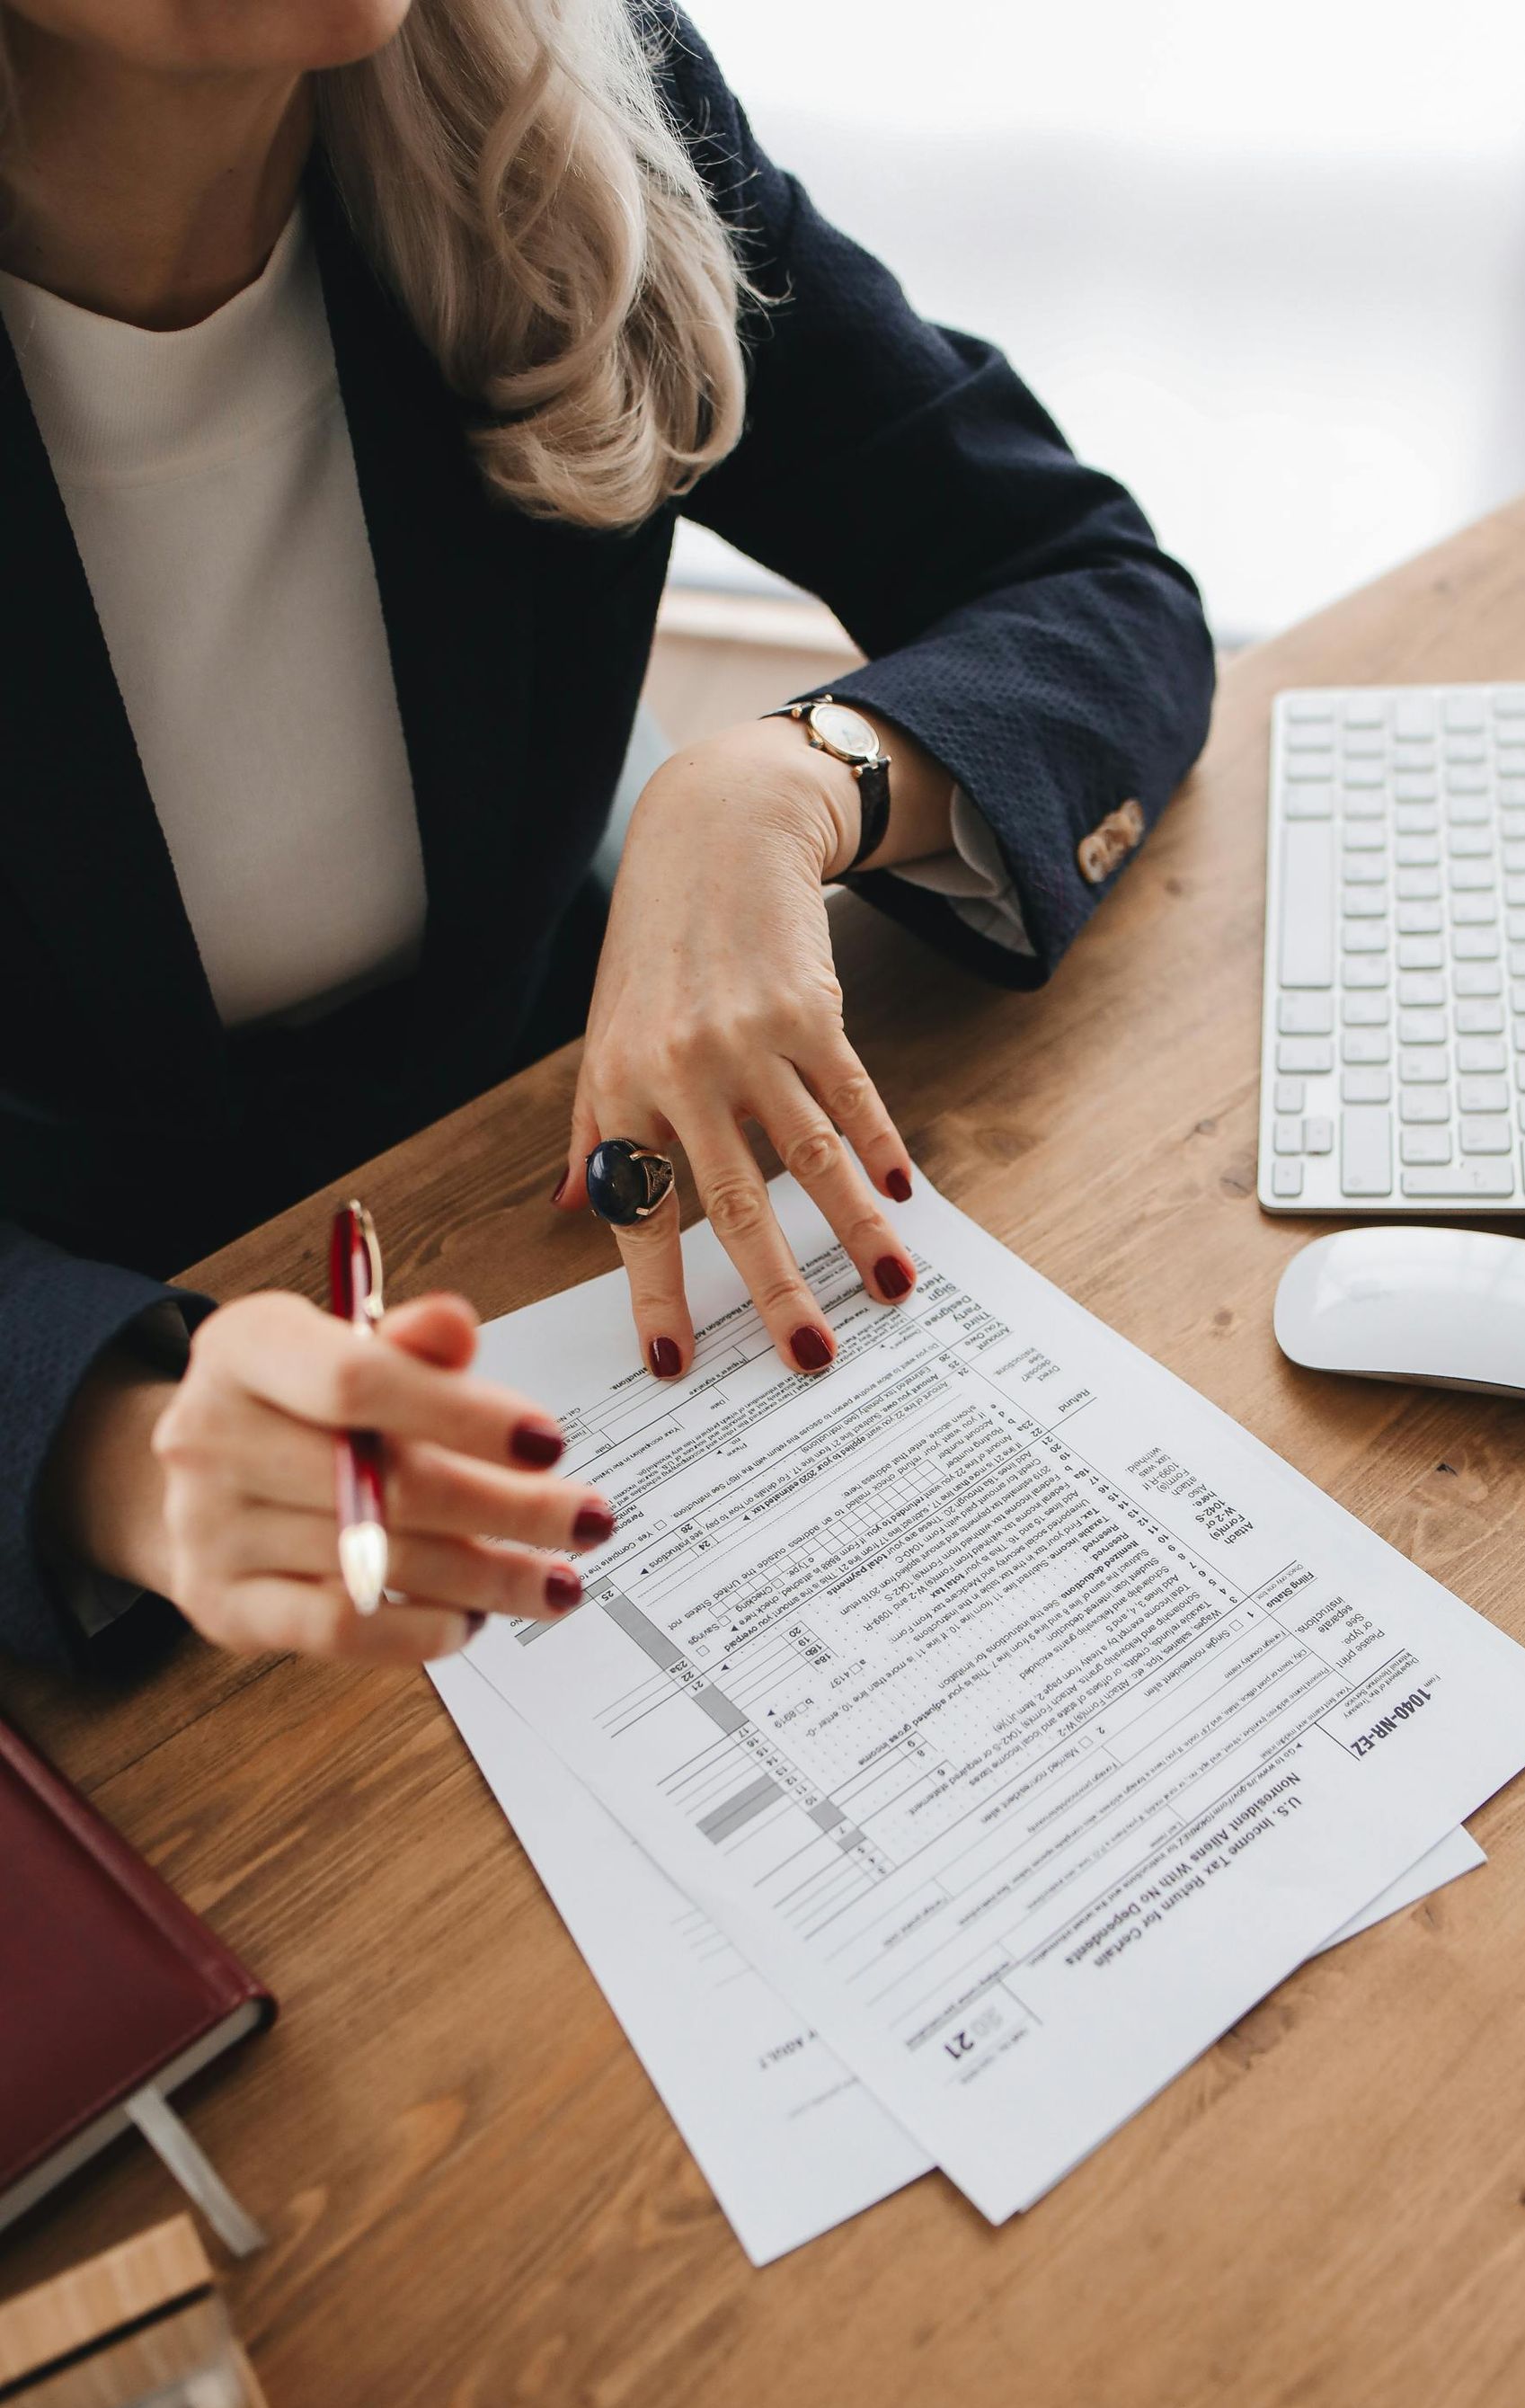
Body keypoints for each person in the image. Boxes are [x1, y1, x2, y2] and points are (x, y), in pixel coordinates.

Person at [0, 0, 1214, 1675]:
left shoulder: (557, 87)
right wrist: (106, 1451)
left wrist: (792, 776)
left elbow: (1081, 581)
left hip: (562, 1201)